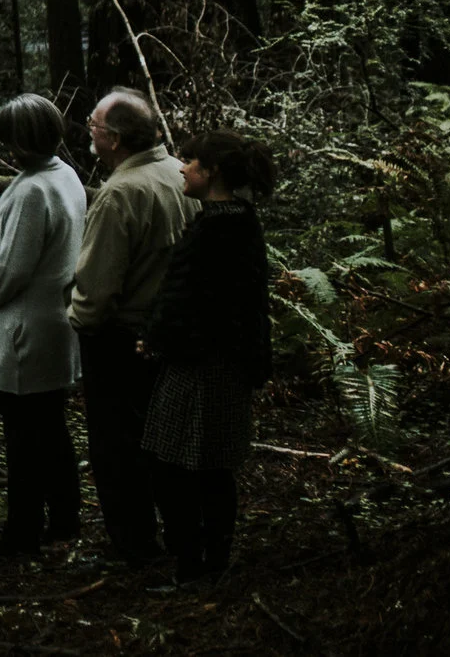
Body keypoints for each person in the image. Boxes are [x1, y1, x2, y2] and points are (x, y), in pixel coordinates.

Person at [139, 130, 276, 587]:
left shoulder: (218, 227)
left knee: (179, 466)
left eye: (191, 161)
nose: (182, 167)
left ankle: (195, 565)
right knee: (206, 467)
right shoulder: (236, 220)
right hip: (220, 360)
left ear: (211, 172)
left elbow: (194, 300)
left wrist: (157, 338)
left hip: (206, 364)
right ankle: (206, 560)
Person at [70, 89, 195, 563]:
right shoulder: (181, 172)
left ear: (116, 139)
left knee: (116, 445)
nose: (88, 129)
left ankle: (132, 544)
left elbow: (98, 288)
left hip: (120, 339)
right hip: (172, 334)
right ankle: (176, 534)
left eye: (94, 124)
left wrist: (79, 323)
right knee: (165, 439)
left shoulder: (120, 194)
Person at [0, 93, 88, 557]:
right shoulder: (63, 175)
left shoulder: (36, 189)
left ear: (23, 140)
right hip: (53, 321)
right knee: (49, 429)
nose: (6, 148)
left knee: (25, 438)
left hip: (25, 329)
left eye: (11, 139)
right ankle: (64, 519)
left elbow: (10, 270)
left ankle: (22, 534)